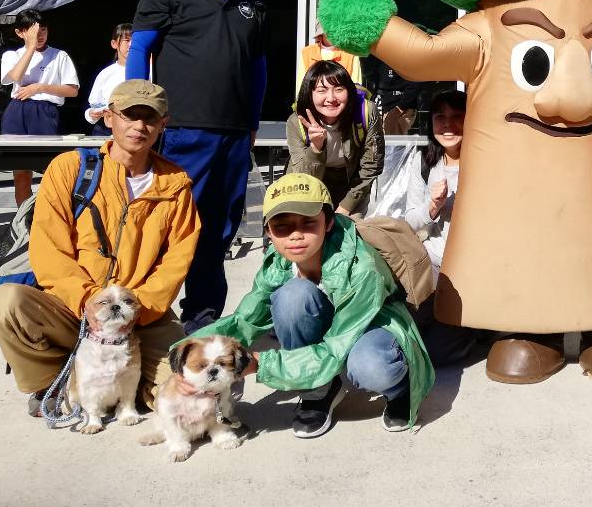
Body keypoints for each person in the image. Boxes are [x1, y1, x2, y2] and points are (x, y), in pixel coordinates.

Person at [0, 80, 200, 413]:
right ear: (108, 117)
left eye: (150, 118)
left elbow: (176, 262)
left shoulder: (175, 185)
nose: (139, 126)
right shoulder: (70, 169)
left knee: (189, 392)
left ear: (163, 123)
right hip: (72, 308)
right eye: (130, 115)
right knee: (4, 304)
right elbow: (49, 250)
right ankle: (53, 380)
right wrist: (87, 299)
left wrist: (138, 309)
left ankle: (133, 385)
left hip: (140, 316)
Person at [193, 173, 435, 438]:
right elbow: (245, 320)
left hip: (371, 321)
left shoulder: (360, 266)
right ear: (268, 232)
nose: (296, 235)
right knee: (290, 298)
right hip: (332, 322)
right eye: (282, 227)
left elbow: (335, 347)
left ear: (328, 222)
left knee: (370, 366)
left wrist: (260, 364)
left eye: (308, 223)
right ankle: (319, 390)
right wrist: (190, 351)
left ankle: (400, 388)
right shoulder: (278, 260)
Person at [127, 0, 267, 332]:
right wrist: (140, 114)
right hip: (182, 130)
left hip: (235, 134)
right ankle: (145, 317)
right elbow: (140, 51)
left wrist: (254, 121)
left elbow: (257, 64)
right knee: (165, 224)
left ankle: (201, 321)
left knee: (218, 230)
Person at [0, 8, 80, 206]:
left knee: (49, 170)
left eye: (43, 30)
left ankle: (48, 218)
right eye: (34, 31)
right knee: (21, 173)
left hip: (44, 111)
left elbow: (72, 90)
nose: (40, 35)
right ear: (20, 33)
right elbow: (15, 77)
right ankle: (22, 223)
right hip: (17, 111)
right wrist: (30, 46)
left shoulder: (59, 55)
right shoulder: (12, 55)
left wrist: (41, 87)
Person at [287, 60, 384, 217]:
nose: (331, 98)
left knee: (349, 232)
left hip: (353, 181)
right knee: (313, 228)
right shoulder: (296, 122)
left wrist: (345, 207)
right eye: (321, 90)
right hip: (310, 181)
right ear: (309, 94)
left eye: (339, 89)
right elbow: (303, 177)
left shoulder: (366, 112)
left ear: (349, 91)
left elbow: (371, 166)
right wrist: (316, 148)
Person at [404, 89, 466, 278]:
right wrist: (433, 206)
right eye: (440, 117)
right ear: (431, 123)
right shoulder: (423, 161)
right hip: (434, 265)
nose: (448, 125)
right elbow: (410, 222)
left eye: (457, 116)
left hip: (474, 266)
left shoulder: (483, 164)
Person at [85, 23, 132, 136]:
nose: (131, 45)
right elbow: (93, 107)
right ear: (114, 43)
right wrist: (92, 113)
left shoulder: (148, 71)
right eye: (126, 40)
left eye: (134, 41)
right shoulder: (106, 74)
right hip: (107, 129)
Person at [296, 19, 362, 93]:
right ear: (321, 35)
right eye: (329, 32)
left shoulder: (350, 53)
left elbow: (357, 86)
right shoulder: (307, 53)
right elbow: (301, 85)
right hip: (312, 103)